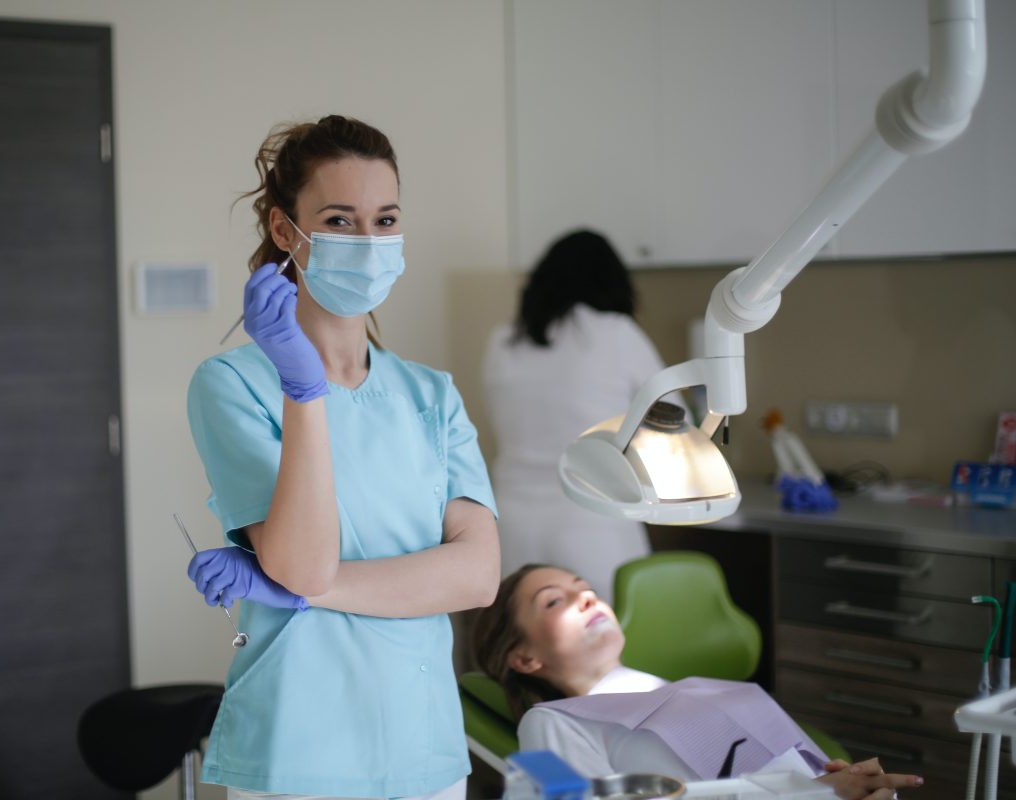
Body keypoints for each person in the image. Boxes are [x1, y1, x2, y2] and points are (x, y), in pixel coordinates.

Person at [184, 115, 501, 800]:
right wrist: (303, 389)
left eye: (385, 220)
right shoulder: (233, 385)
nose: (368, 241)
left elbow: (476, 577)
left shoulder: (430, 395)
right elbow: (305, 562)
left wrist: (295, 592)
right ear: (284, 231)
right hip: (300, 750)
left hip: (424, 748)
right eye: (339, 219)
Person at [470, 565, 923, 800]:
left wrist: (844, 787)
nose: (586, 596)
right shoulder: (551, 723)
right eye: (554, 601)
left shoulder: (678, 690)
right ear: (523, 657)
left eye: (584, 586)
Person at [481, 231, 671, 602]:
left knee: (523, 649)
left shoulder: (502, 342)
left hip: (512, 528)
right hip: (593, 524)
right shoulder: (618, 334)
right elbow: (673, 427)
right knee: (605, 650)